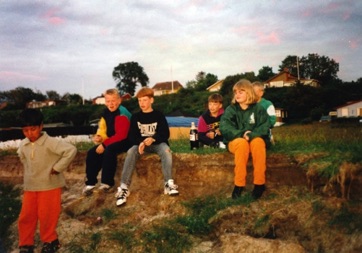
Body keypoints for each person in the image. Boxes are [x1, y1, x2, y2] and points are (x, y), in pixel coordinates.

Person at [17, 108, 77, 253]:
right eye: (25, 130)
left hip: (49, 186)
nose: (29, 133)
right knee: (26, 215)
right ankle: (26, 243)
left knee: (47, 215)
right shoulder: (23, 144)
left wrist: (57, 167)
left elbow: (71, 150)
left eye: (33, 129)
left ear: (41, 126)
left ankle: (51, 240)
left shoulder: (50, 142)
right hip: (30, 187)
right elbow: (21, 156)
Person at [115, 87, 179, 207]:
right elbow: (132, 136)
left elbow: (165, 133)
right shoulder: (135, 117)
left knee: (166, 151)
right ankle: (123, 188)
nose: (142, 103)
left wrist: (153, 138)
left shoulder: (159, 115)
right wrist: (141, 142)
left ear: (151, 100)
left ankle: (168, 183)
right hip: (141, 145)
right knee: (130, 152)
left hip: (157, 144)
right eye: (140, 101)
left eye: (145, 100)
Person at [220, 79, 270, 200]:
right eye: (235, 92)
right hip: (236, 141)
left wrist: (252, 135)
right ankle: (239, 185)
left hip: (254, 140)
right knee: (242, 144)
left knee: (258, 142)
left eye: (241, 92)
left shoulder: (258, 109)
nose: (237, 94)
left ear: (249, 92)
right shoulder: (231, 109)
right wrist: (242, 133)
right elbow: (225, 127)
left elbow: (265, 126)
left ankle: (259, 184)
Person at [83, 88, 131, 196]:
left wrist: (105, 144)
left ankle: (107, 183)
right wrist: (100, 137)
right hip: (113, 140)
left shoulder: (122, 113)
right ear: (105, 102)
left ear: (119, 101)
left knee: (109, 150)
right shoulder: (105, 112)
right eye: (108, 101)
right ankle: (90, 183)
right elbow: (102, 129)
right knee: (92, 152)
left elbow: (121, 135)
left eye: (113, 100)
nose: (111, 103)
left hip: (127, 140)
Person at [252, 81, 276, 146]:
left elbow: (272, 120)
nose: (252, 94)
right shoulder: (249, 105)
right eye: (251, 92)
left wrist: (262, 126)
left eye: (254, 92)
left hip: (264, 133)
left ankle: (270, 140)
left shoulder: (267, 104)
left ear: (261, 93)